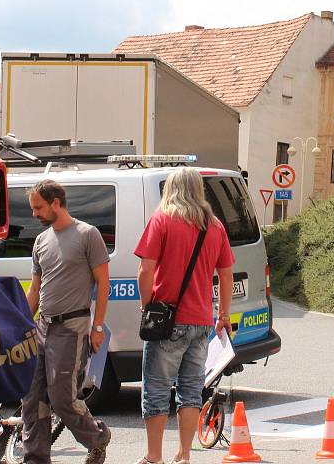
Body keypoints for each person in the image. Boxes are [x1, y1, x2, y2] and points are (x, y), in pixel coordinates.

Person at [134, 167, 234, 464]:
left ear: (170, 189)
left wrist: (147, 305)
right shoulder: (214, 226)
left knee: (156, 389)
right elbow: (225, 275)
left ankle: (154, 456)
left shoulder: (162, 219)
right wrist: (223, 315)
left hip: (167, 320)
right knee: (191, 391)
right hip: (202, 320)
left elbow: (145, 270)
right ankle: (185, 453)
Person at [22, 180, 112, 464]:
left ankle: (98, 438)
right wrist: (21, 323)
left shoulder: (88, 234)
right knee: (32, 397)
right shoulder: (41, 241)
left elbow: (103, 283)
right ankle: (35, 458)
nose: (34, 213)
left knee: (62, 398)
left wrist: (98, 328)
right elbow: (35, 290)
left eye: (38, 207)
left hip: (71, 329)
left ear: (56, 203)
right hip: (42, 327)